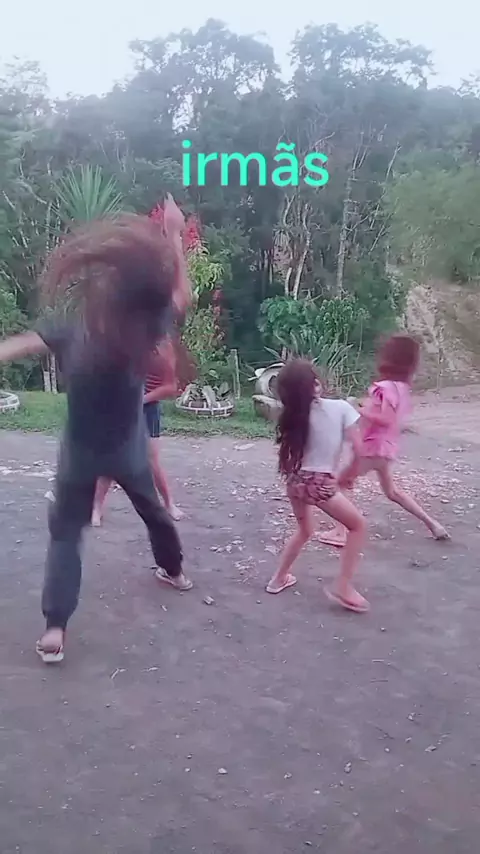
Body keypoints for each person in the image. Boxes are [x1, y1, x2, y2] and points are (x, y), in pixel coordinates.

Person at [0, 198, 193, 664]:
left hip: (80, 456)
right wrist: (173, 235)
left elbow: (17, 346)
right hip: (127, 451)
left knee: (66, 534)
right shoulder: (143, 328)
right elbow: (182, 296)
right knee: (154, 512)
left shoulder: (72, 331)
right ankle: (175, 572)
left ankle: (55, 629)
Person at [319, 334, 449, 548]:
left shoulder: (384, 387)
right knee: (392, 492)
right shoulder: (401, 388)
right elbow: (391, 417)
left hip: (372, 448)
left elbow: (386, 419)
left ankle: (341, 532)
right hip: (386, 449)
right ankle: (434, 525)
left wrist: (360, 410)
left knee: (338, 484)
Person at [266, 359, 369, 613]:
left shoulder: (292, 416)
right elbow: (359, 451)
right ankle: (343, 586)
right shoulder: (341, 407)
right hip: (319, 483)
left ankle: (278, 579)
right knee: (357, 526)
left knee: (305, 530)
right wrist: (347, 475)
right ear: (315, 384)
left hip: (295, 481)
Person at [91, 334, 187, 526]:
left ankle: (169, 505)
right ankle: (96, 508)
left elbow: (170, 387)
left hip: (148, 407)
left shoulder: (164, 347)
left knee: (152, 460)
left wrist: (142, 400)